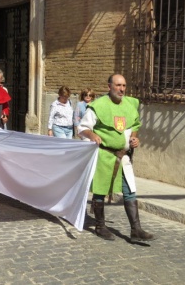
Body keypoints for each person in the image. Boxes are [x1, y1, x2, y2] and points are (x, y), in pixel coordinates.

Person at [79, 74, 155, 243]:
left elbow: (134, 125)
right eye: (118, 85)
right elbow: (83, 128)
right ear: (109, 86)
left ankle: (136, 229)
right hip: (104, 155)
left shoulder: (130, 104)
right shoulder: (97, 106)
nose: (122, 89)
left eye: (124, 85)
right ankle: (100, 226)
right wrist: (92, 135)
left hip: (123, 156)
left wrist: (134, 138)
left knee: (130, 190)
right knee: (100, 190)